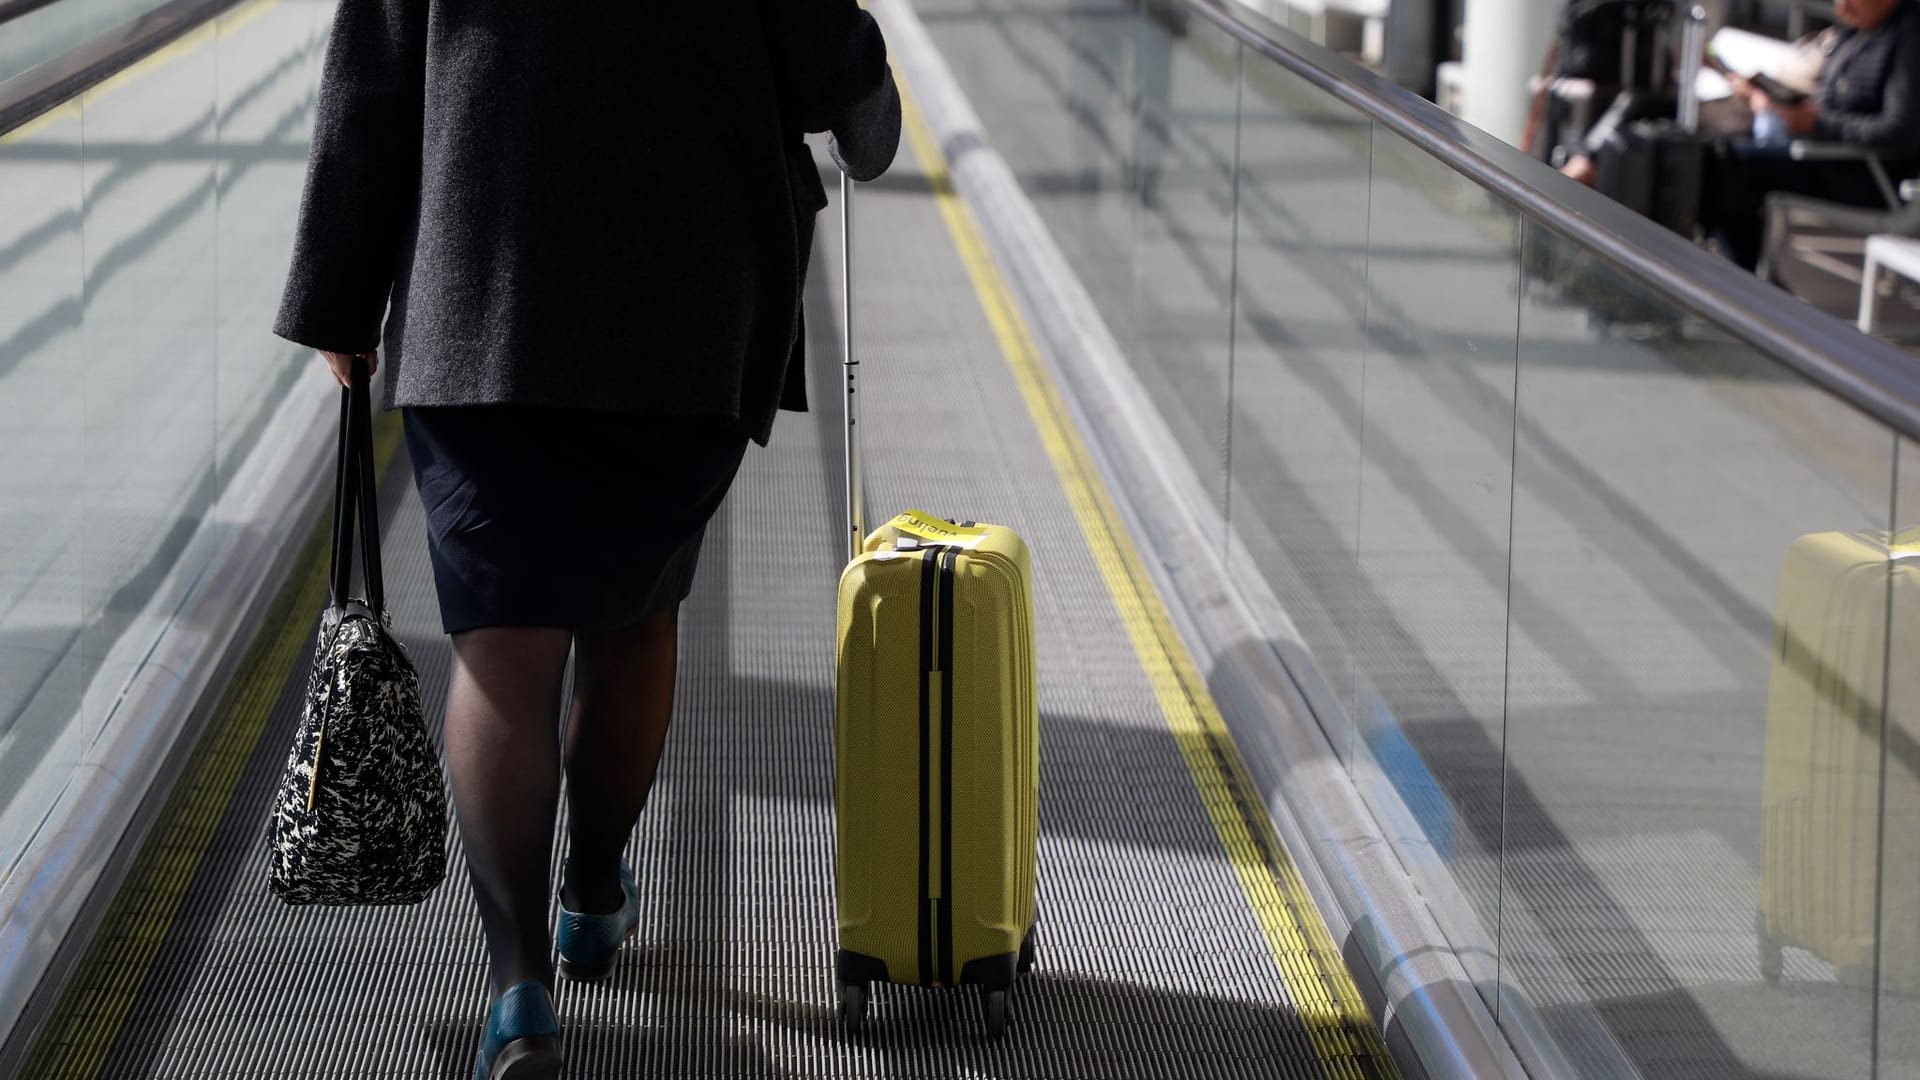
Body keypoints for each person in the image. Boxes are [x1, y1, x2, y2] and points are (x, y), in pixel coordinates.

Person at [271, 3, 901, 1078]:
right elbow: (837, 83)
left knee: (504, 646)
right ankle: (595, 891)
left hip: (481, 294)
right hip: (682, 310)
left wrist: (338, 287)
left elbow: (374, 67)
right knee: (635, 614)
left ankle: (519, 988)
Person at [1703, 0, 1920, 266]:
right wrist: (1777, 102)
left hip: (1866, 175)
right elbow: (1833, 99)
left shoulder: (1909, 36)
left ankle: (1745, 276)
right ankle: (1744, 271)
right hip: (1827, 154)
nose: (1841, 5)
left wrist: (1818, 124)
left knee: (1728, 166)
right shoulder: (1858, 30)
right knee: (1719, 153)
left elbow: (1900, 129)